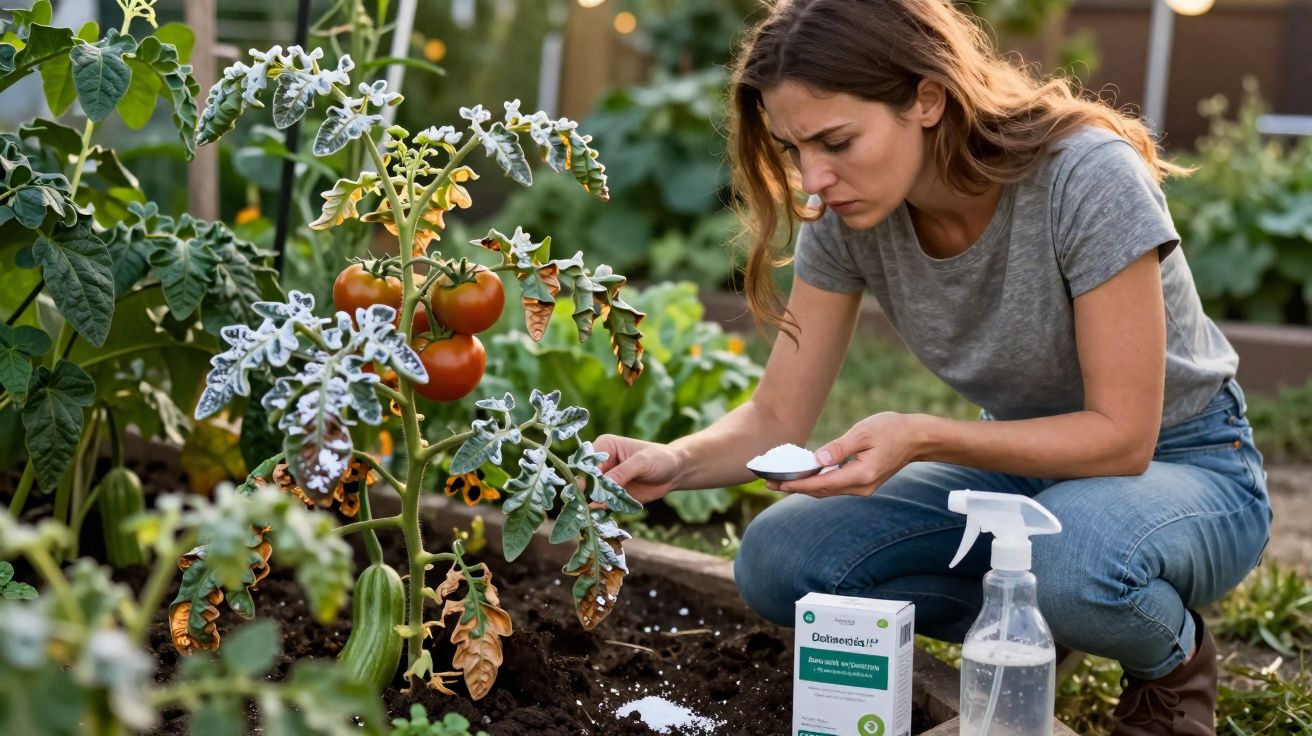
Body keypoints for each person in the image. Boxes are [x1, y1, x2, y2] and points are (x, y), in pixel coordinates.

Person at [592, 0, 1273, 732]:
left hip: (1186, 463)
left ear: (926, 98)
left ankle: (1171, 660)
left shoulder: (1085, 177)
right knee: (780, 558)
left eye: (837, 140)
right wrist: (674, 460)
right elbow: (776, 416)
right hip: (1023, 471)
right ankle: (1037, 625)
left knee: (1068, 557)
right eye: (795, 150)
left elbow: (1122, 435)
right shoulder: (852, 213)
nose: (814, 179)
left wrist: (923, 435)